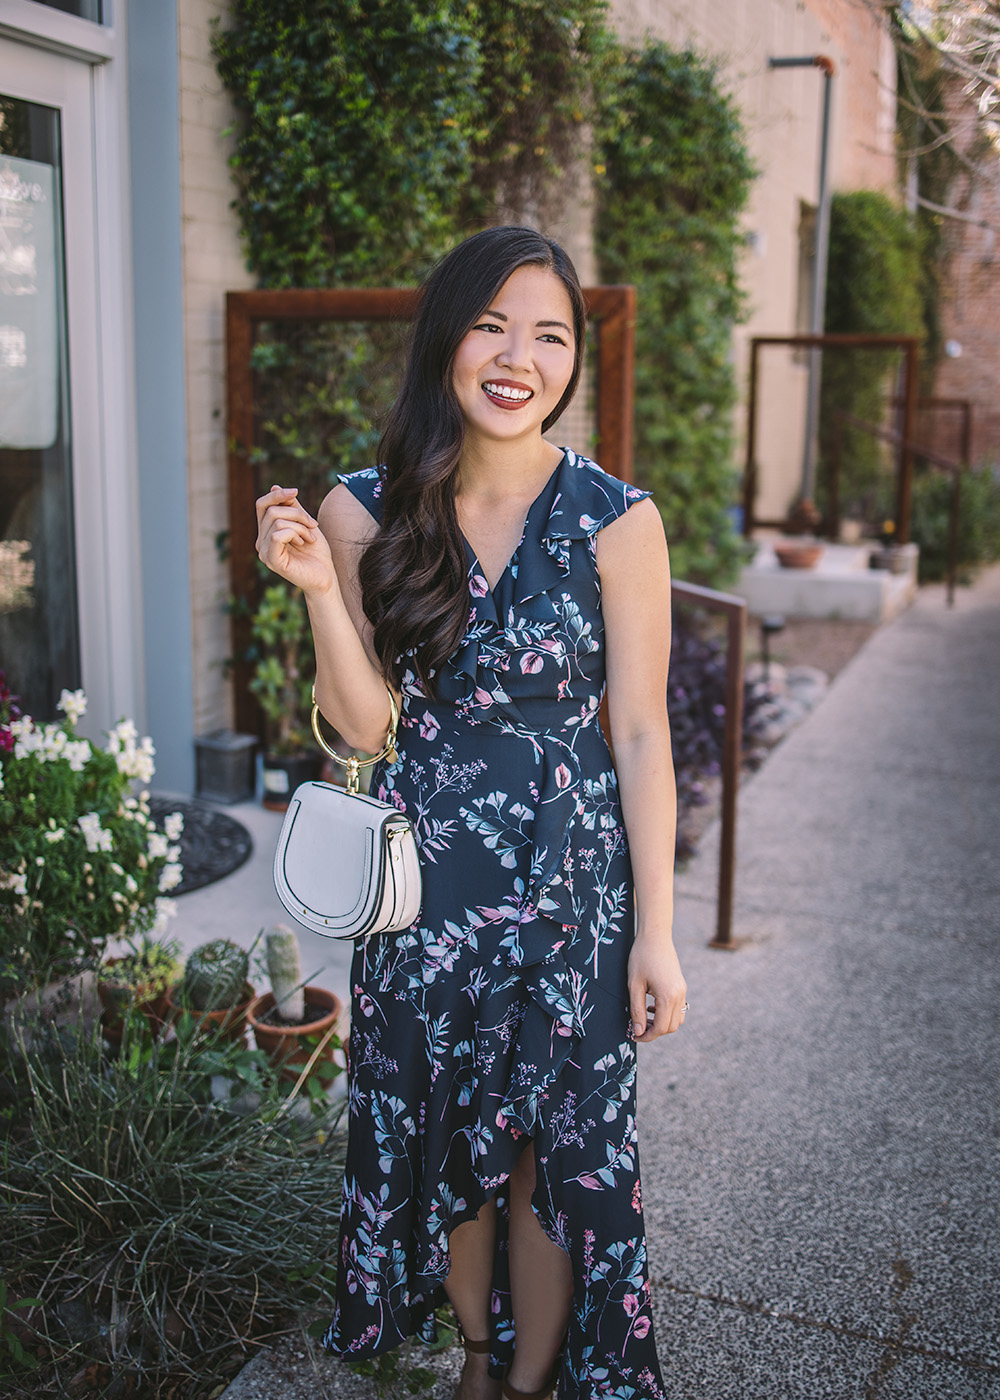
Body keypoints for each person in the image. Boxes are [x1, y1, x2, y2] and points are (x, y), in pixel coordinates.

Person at [255, 225, 687, 1400]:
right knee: (446, 1135)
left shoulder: (616, 517)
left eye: (548, 333)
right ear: (446, 333)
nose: (517, 355)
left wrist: (655, 929)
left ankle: (534, 1377)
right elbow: (360, 726)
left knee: (557, 1150)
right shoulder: (363, 505)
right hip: (424, 885)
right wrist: (314, 594)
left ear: (571, 362)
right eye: (492, 322)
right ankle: (478, 1362)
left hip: (570, 889)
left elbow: (641, 734)